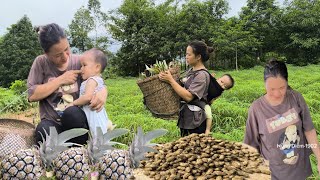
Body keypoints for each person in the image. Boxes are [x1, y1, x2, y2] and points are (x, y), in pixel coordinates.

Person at [27, 23, 106, 145]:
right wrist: (61, 80)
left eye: (66, 49)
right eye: (58, 55)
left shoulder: (81, 61)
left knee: (72, 113)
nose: (64, 57)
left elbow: (97, 79)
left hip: (76, 122)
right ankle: (58, 156)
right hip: (52, 122)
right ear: (46, 53)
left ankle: (79, 152)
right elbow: (32, 95)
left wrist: (104, 92)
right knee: (43, 129)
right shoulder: (41, 63)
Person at [244, 59, 320, 179]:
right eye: (271, 89)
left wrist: (319, 158)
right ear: (265, 84)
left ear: (287, 82)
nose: (277, 93)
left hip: (299, 171)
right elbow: (251, 146)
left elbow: (309, 130)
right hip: (273, 174)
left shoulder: (296, 98)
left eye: (281, 88)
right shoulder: (256, 108)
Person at [159, 40, 213, 136]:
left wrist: (171, 80)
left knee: (194, 149)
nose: (186, 57)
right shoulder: (191, 71)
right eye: (186, 54)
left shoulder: (201, 75)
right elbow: (182, 86)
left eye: (189, 55)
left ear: (198, 57)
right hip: (186, 119)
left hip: (196, 122)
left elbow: (188, 97)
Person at [66, 48, 109, 136]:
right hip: (95, 113)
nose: (81, 69)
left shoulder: (91, 81)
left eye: (84, 65)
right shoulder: (96, 80)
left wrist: (73, 104)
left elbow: (87, 97)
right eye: (81, 66)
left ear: (97, 67)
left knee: (96, 133)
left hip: (94, 114)